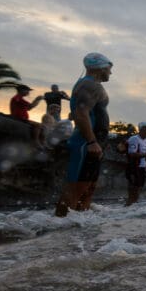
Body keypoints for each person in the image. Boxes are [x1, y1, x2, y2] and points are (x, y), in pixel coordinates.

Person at [55, 53, 112, 217]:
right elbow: (81, 112)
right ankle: (57, 233)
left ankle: (78, 232)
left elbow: (80, 112)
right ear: (100, 67)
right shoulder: (89, 85)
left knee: (87, 189)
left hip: (92, 143)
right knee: (75, 189)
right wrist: (91, 141)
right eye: (109, 69)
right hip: (84, 144)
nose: (110, 73)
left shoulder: (91, 85)